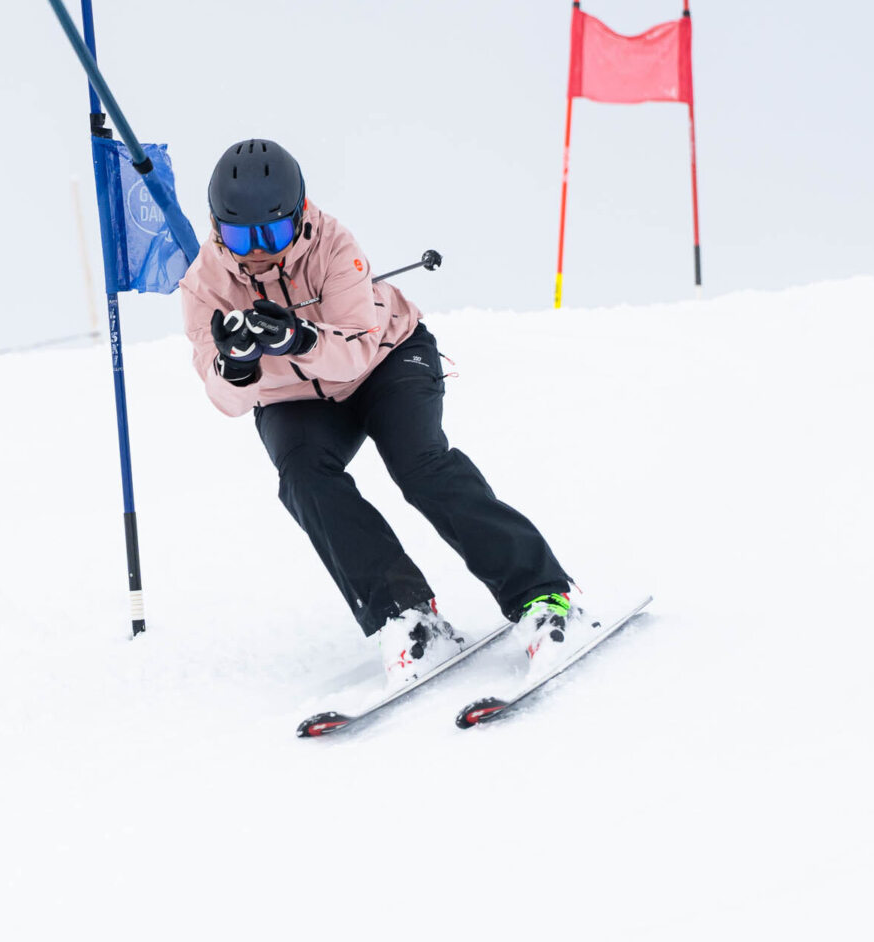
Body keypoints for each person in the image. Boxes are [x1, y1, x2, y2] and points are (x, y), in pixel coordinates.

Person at [179, 137, 591, 690]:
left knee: (420, 465)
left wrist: (297, 336)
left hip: (388, 360)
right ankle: (407, 614)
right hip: (292, 398)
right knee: (302, 477)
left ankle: (543, 593)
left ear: (299, 215)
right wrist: (236, 366)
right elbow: (225, 399)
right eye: (239, 235)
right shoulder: (205, 284)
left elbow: (354, 352)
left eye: (272, 233)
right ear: (214, 226)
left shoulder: (334, 245)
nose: (258, 250)